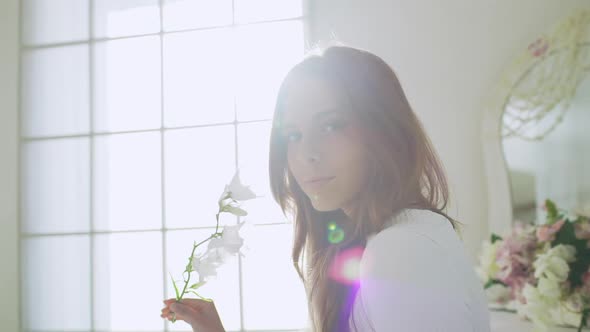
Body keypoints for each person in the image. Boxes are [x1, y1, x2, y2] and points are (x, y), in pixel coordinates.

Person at [161, 45, 491, 332]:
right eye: (293, 135)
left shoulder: (401, 249)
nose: (307, 154)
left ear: (385, 131)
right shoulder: (393, 238)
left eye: (331, 125)